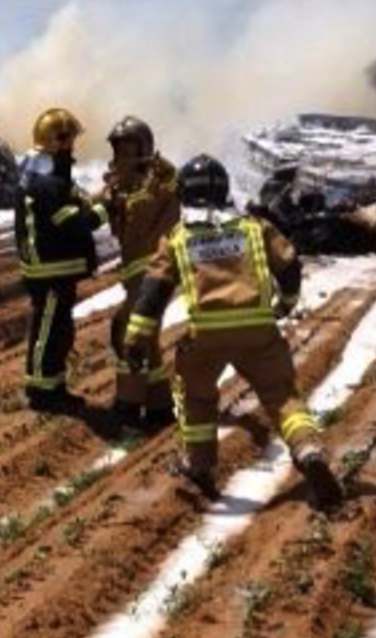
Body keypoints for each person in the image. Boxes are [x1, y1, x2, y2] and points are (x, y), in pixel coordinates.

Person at [121, 154, 344, 509]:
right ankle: (308, 450)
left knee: (196, 396)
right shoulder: (254, 227)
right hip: (258, 331)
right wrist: (286, 303)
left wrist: (135, 340)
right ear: (223, 190)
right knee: (282, 397)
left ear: (184, 194)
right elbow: (289, 266)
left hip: (206, 336)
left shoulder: (178, 238)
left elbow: (153, 294)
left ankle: (199, 464)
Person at [15, 108, 108, 412]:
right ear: (58, 141)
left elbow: (75, 201)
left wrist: (100, 194)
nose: (73, 148)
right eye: (69, 141)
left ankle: (53, 387)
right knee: (50, 331)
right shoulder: (46, 181)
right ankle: (41, 393)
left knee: (60, 331)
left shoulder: (46, 173)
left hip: (55, 269)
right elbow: (73, 223)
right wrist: (107, 208)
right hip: (49, 271)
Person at [99, 116, 180, 430]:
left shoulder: (160, 179)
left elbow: (169, 183)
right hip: (137, 278)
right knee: (147, 342)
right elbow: (100, 203)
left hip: (155, 275)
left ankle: (128, 407)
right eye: (118, 149)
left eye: (128, 149)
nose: (122, 156)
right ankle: (160, 407)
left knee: (127, 332)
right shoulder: (121, 186)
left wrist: (151, 169)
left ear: (143, 149)